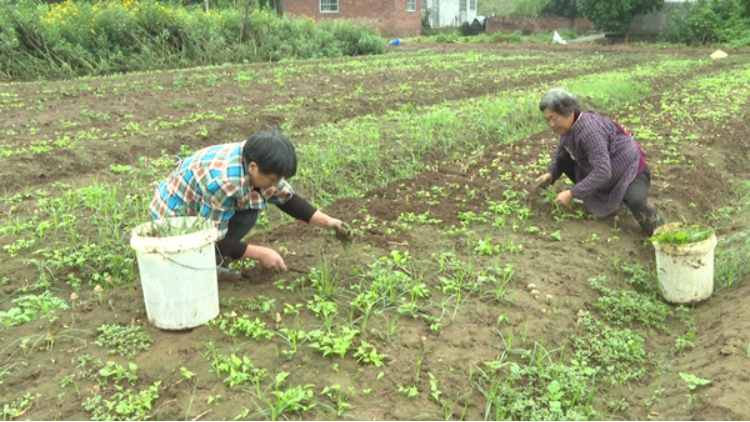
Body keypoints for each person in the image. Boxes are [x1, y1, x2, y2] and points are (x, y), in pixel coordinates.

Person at [149, 129, 345, 272]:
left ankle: (213, 258)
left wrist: (328, 222)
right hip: (174, 217)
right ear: (253, 167)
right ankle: (202, 265)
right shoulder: (226, 182)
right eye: (274, 179)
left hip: (201, 204)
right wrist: (260, 253)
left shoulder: (258, 158)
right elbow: (211, 235)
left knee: (249, 209)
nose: (277, 184)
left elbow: (287, 199)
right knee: (240, 219)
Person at [536, 88, 664, 235]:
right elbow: (560, 150)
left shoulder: (589, 131)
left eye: (554, 118)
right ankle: (603, 198)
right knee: (562, 159)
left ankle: (662, 235)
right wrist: (551, 174)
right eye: (547, 120)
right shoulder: (568, 129)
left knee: (635, 202)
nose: (551, 124)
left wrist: (572, 192)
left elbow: (603, 171)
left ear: (570, 112)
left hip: (630, 172)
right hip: (607, 173)